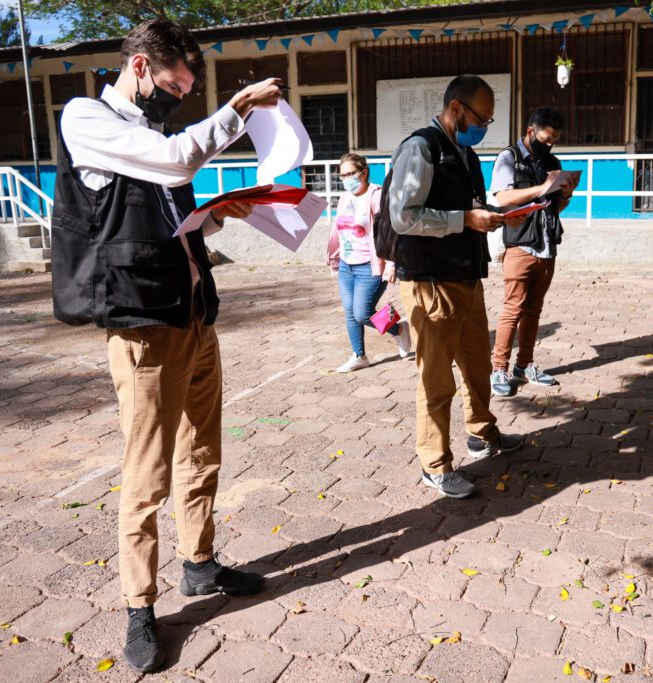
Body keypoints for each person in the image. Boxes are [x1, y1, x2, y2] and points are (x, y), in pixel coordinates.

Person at [50, 19, 283, 673]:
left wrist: (216, 210)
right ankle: (138, 609)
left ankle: (200, 564)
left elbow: (163, 212)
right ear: (142, 68)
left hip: (193, 315)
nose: (179, 99)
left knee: (203, 449)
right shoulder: (86, 117)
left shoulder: (156, 134)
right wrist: (236, 109)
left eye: (190, 90)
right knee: (148, 475)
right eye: (175, 86)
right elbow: (178, 159)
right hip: (143, 327)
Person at [388, 74, 526, 498]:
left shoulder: (464, 154)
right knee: (436, 380)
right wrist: (465, 220)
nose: (484, 126)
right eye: (481, 118)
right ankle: (435, 465)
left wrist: (495, 216)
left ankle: (482, 433)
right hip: (431, 283)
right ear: (456, 110)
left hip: (466, 278)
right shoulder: (421, 148)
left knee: (477, 366)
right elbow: (403, 217)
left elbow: (469, 207)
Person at [489, 106, 576, 397]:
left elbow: (555, 208)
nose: (550, 144)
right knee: (513, 309)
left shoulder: (551, 161)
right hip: (520, 245)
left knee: (534, 311)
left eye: (555, 140)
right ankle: (498, 368)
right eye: (547, 138)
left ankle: (524, 365)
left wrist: (563, 194)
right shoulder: (509, 158)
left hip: (547, 245)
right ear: (531, 132)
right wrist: (541, 188)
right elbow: (502, 198)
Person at [327, 152, 412, 372]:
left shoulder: (377, 195)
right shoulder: (345, 198)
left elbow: (390, 232)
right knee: (350, 312)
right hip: (347, 264)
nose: (347, 179)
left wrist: (392, 264)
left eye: (351, 173)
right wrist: (334, 256)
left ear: (363, 173)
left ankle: (398, 329)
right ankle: (359, 355)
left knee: (362, 313)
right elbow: (339, 229)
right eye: (343, 175)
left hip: (370, 264)